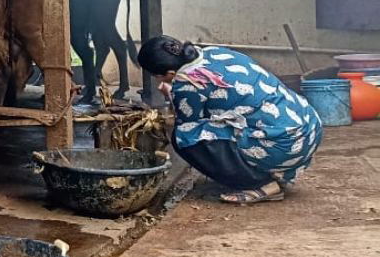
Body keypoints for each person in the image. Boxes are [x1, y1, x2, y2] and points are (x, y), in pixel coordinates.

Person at [138, 35, 322, 204]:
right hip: (307, 127)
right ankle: (260, 168)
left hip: (283, 144)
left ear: (169, 73)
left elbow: (187, 121)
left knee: (183, 137)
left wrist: (171, 94)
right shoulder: (213, 52)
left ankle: (261, 184)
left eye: (156, 76)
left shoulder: (187, 83)